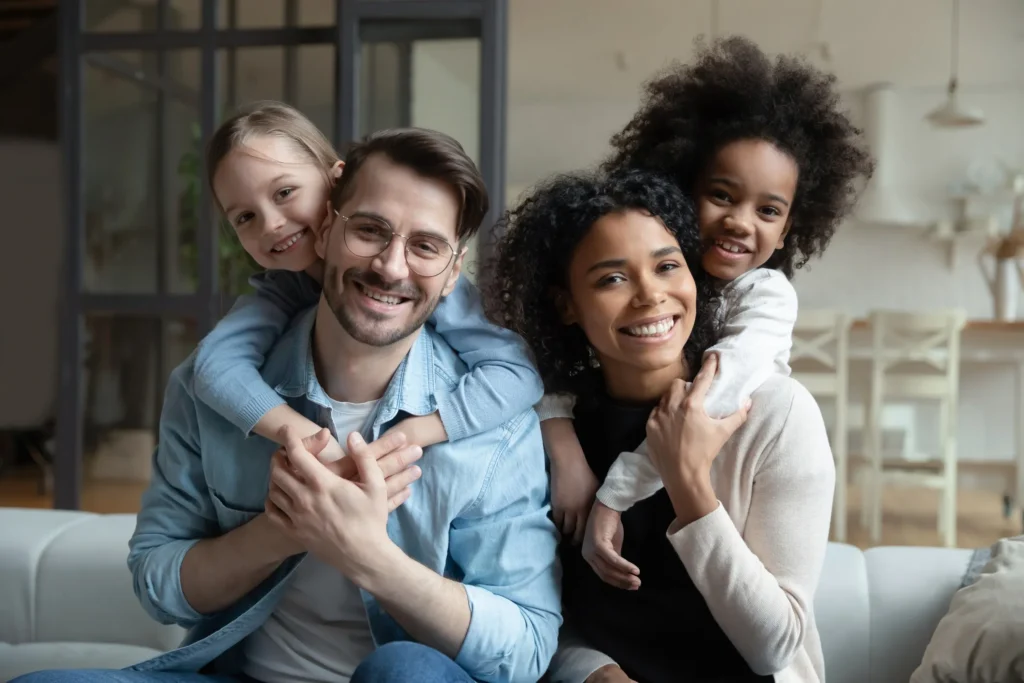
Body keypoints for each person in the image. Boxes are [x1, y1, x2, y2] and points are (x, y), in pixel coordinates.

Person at [14, 128, 561, 683]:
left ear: (452, 273)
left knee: (407, 670)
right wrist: (284, 530)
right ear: (325, 231)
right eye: (369, 231)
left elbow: (526, 649)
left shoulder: (493, 420)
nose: (391, 267)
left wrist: (368, 556)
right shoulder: (219, 387)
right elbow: (159, 586)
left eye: (425, 246)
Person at [487, 166, 835, 682]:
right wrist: (593, 672)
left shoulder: (776, 415)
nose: (650, 295)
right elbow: (534, 613)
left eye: (668, 266)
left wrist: (689, 484)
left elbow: (775, 647)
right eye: (612, 278)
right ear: (566, 305)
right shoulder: (549, 435)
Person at [538, 35, 873, 563]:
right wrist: (562, 442)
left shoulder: (766, 297)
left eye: (768, 211)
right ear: (683, 188)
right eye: (721, 195)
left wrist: (614, 493)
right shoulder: (659, 281)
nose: (739, 221)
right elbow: (547, 354)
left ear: (788, 230)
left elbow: (707, 401)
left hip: (712, 476)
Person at [193, 100, 544, 467]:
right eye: (245, 217)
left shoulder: (423, 283)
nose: (270, 224)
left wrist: (416, 432)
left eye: (284, 193)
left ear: (336, 181)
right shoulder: (280, 291)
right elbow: (215, 368)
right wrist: (308, 438)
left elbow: (518, 371)